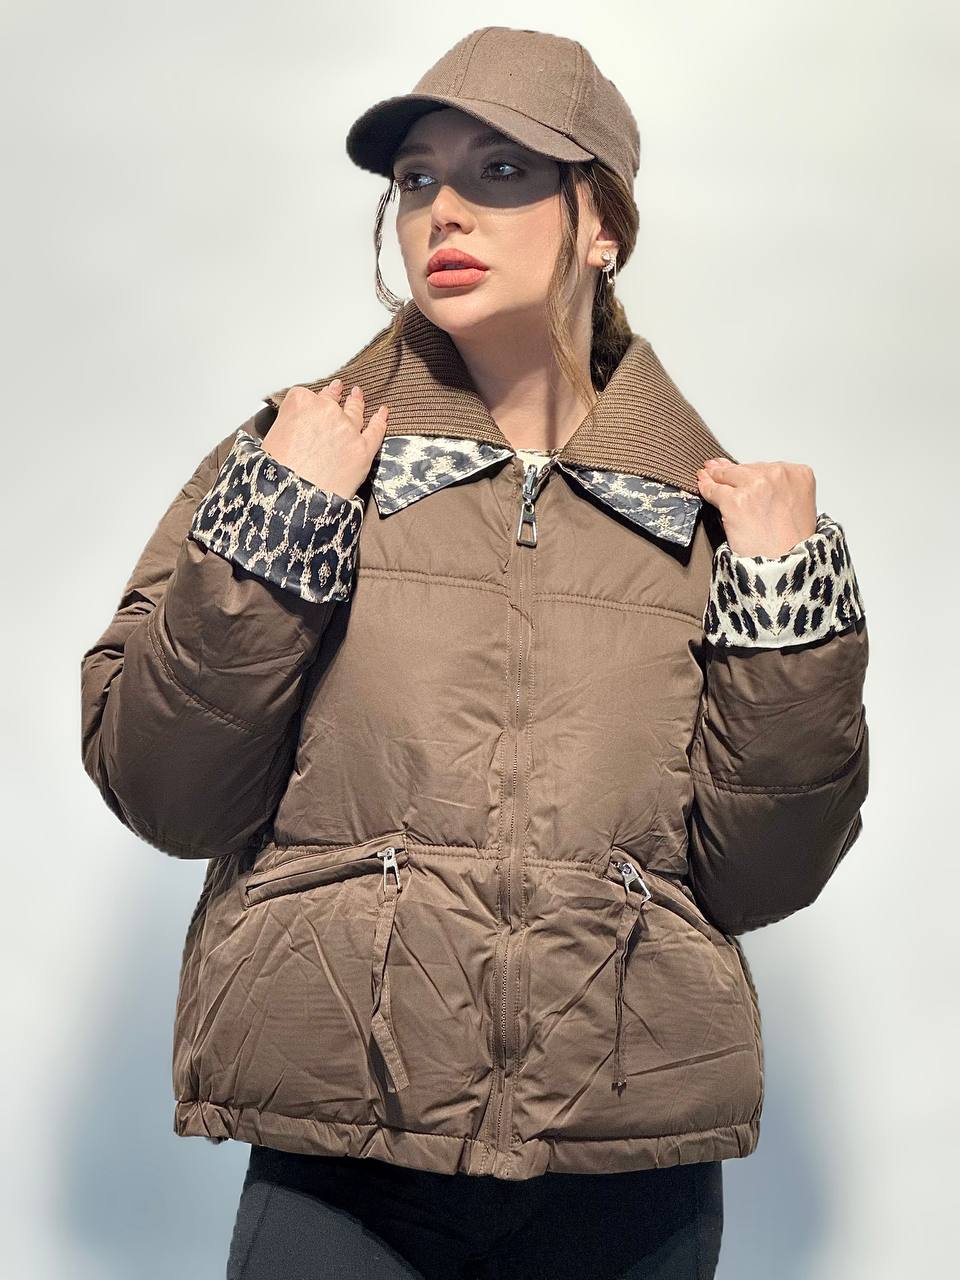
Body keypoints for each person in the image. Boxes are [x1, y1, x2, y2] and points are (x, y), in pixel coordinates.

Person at [79, 26, 869, 1280]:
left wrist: (787, 604)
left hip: (632, 1174)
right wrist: (281, 526)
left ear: (602, 223)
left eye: (502, 171)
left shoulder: (714, 519)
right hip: (343, 1155)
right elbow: (169, 793)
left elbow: (761, 873)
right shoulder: (298, 458)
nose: (443, 207)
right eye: (417, 178)